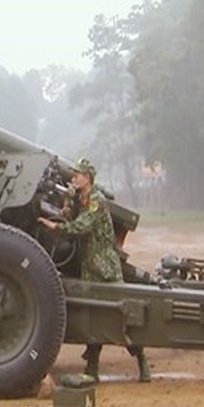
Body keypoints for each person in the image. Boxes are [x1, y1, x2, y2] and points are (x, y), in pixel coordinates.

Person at [38, 158, 151, 383]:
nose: (73, 177)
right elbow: (69, 216)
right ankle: (92, 369)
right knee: (94, 317)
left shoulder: (96, 200)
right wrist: (68, 199)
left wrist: (55, 228)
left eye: (77, 174)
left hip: (105, 266)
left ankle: (142, 361)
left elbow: (82, 226)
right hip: (89, 264)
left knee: (122, 317)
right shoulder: (81, 198)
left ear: (87, 177)